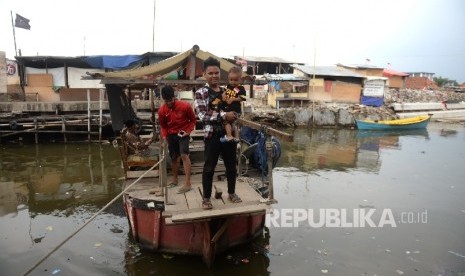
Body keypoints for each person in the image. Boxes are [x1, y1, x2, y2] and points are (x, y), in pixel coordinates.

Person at [194, 57, 242, 209]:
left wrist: (234, 115)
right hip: (212, 135)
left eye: (216, 73)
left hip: (228, 134)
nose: (214, 76)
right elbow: (203, 116)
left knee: (231, 166)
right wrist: (223, 115)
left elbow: (236, 109)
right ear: (204, 74)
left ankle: (232, 193)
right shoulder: (201, 93)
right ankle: (206, 198)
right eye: (210, 73)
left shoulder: (226, 91)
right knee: (209, 167)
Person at [158, 85, 197, 194]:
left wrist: (188, 131)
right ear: (163, 100)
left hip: (183, 133)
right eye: (166, 101)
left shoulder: (185, 106)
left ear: (174, 97)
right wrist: (165, 138)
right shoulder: (162, 110)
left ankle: (188, 183)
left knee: (184, 155)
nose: (169, 102)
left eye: (170, 100)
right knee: (174, 157)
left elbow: (193, 120)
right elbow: (163, 126)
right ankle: (175, 180)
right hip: (171, 134)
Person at [219, 66, 246, 142]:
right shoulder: (228, 86)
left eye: (235, 80)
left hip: (235, 110)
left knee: (228, 123)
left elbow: (243, 98)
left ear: (240, 79)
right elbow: (225, 92)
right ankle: (236, 138)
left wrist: (233, 99)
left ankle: (230, 136)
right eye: (231, 80)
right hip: (227, 110)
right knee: (232, 124)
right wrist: (223, 95)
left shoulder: (240, 88)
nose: (233, 82)